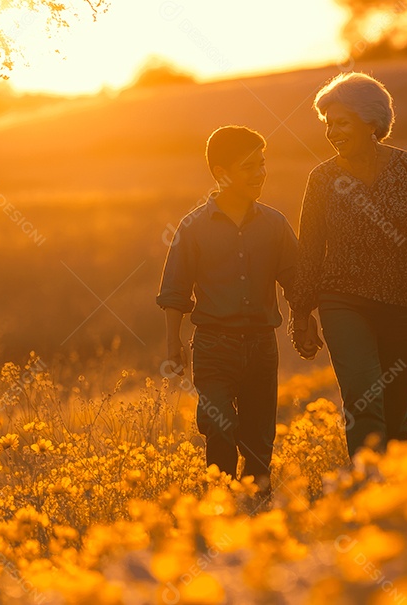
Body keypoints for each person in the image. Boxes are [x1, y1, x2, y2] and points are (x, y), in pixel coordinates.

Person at [288, 72, 407, 459]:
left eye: (341, 123)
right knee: (363, 397)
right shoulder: (322, 179)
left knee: (397, 415)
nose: (332, 133)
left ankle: (392, 487)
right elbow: (309, 250)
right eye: (328, 124)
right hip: (344, 302)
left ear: (370, 122)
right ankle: (366, 482)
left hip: (406, 304)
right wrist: (301, 314)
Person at [156, 125, 316, 500]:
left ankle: (258, 506)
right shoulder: (193, 227)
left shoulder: (274, 224)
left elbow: (295, 282)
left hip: (262, 346)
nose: (260, 173)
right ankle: (221, 501)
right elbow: (175, 290)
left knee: (259, 438)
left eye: (262, 164)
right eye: (249, 167)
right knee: (219, 423)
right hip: (213, 346)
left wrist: (304, 321)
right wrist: (173, 344)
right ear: (221, 173)